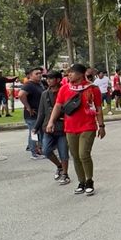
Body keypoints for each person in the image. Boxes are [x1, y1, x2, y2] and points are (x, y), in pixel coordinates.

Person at [47, 63, 105, 196]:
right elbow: (58, 106)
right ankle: (81, 182)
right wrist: (51, 121)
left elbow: (98, 108)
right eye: (68, 73)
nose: (69, 75)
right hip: (70, 127)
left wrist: (101, 126)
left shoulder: (93, 88)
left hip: (88, 126)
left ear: (80, 74)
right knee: (75, 156)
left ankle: (89, 181)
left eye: (71, 72)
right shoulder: (65, 89)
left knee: (84, 153)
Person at [34, 70, 70, 185]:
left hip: (62, 128)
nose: (48, 80)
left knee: (63, 152)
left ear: (58, 80)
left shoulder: (65, 91)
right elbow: (41, 113)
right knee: (46, 150)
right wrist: (36, 127)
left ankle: (65, 174)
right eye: (47, 78)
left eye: (51, 78)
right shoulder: (45, 94)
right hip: (48, 128)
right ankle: (59, 166)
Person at [19, 67, 45, 159]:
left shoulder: (39, 84)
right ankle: (34, 152)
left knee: (39, 133)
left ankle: (39, 150)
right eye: (36, 74)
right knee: (34, 133)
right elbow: (21, 95)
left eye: (40, 73)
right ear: (30, 75)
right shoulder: (29, 85)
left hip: (39, 114)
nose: (39, 75)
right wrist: (28, 107)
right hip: (32, 115)